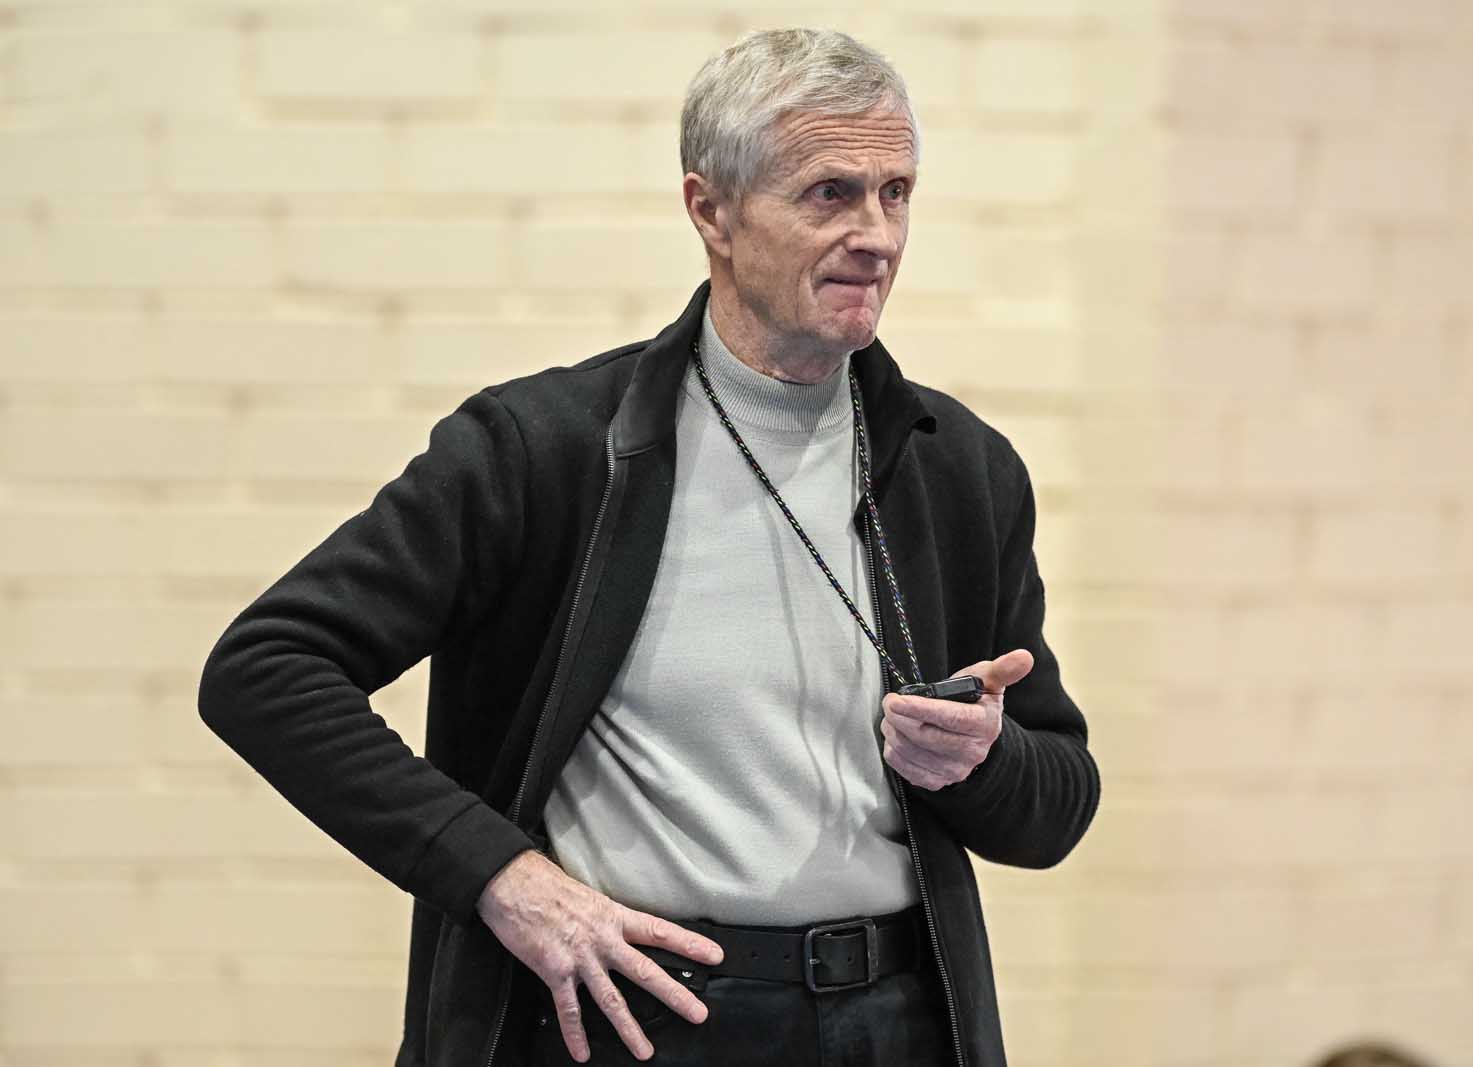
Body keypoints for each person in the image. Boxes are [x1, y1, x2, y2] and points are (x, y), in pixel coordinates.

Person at [198, 26, 1099, 1067]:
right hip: (637, 1013)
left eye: (895, 193)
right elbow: (266, 668)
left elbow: (1056, 808)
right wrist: (500, 875)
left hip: (895, 1020)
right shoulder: (542, 451)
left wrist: (983, 761)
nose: (876, 236)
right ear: (711, 210)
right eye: (829, 194)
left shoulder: (959, 467)